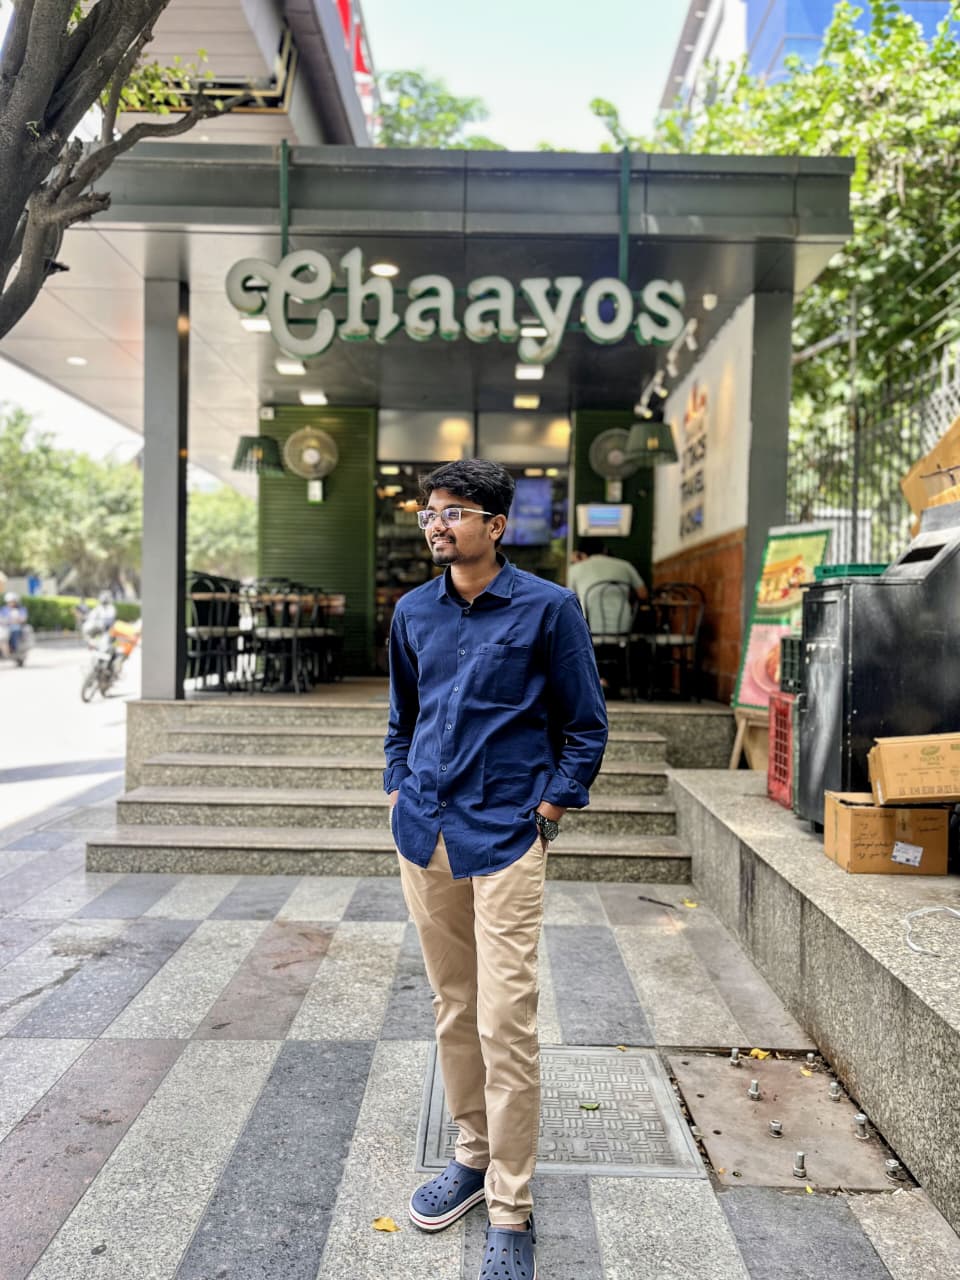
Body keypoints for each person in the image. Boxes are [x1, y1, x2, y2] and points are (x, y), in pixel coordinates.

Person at [385, 459, 608, 1280]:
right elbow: (401, 718)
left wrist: (548, 813)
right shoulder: (412, 612)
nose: (436, 525)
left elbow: (586, 726)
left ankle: (512, 1206)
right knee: (453, 1006)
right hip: (427, 833)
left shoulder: (549, 609)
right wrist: (398, 787)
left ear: (495, 525)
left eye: (452, 512)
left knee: (505, 1017)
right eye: (429, 513)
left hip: (509, 835)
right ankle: (471, 1156)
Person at [567, 538, 647, 638]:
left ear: (581, 554)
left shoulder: (574, 569)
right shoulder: (625, 565)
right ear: (604, 550)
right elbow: (643, 594)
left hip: (590, 629)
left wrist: (576, 562)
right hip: (623, 628)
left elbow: (570, 602)